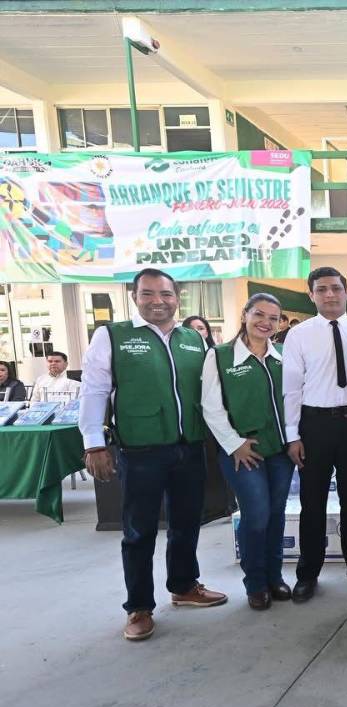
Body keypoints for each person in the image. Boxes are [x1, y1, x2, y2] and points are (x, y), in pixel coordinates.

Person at [80, 268, 227, 641]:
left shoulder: (193, 339)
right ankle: (139, 607)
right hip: (141, 449)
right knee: (139, 530)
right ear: (134, 297)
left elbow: (211, 391)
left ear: (178, 298)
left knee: (186, 522)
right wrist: (94, 442)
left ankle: (183, 585)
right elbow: (94, 390)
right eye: (148, 294)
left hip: (189, 446)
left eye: (165, 294)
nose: (157, 301)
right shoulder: (113, 336)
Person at [282, 267, 347, 601]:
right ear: (311, 295)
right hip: (315, 425)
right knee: (313, 502)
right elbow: (291, 389)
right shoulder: (299, 335)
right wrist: (293, 435)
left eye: (336, 288)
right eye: (321, 290)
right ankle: (308, 574)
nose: (330, 295)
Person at [201, 293, 293, 610]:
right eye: (259, 314)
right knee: (256, 516)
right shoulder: (220, 356)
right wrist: (234, 443)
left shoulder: (283, 354)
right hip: (242, 450)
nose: (265, 322)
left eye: (273, 317)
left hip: (280, 450)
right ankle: (255, 583)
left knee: (277, 515)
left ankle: (275, 576)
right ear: (245, 314)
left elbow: (293, 401)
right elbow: (211, 407)